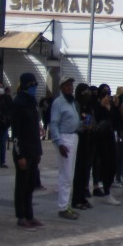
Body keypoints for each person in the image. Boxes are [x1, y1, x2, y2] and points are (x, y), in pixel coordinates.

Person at [10, 72, 44, 229]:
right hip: (23, 150)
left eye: (35, 84)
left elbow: (35, 129)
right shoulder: (18, 103)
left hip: (33, 149)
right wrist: (19, 155)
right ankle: (21, 215)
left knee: (31, 184)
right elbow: (16, 133)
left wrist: (38, 152)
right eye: (31, 85)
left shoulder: (32, 103)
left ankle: (30, 214)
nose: (34, 88)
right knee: (22, 184)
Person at [50, 77, 82, 221]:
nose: (70, 87)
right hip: (65, 138)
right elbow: (54, 123)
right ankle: (63, 207)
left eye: (71, 85)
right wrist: (59, 143)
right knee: (66, 174)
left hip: (73, 136)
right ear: (61, 87)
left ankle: (66, 204)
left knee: (71, 173)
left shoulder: (72, 102)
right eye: (67, 85)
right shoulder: (58, 103)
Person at [90, 85, 121, 205]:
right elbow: (93, 118)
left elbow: (115, 120)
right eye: (104, 93)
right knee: (99, 163)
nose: (107, 95)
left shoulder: (110, 106)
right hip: (98, 137)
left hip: (109, 135)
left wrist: (114, 107)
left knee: (112, 163)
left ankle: (107, 187)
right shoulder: (95, 104)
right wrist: (101, 106)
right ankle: (99, 187)